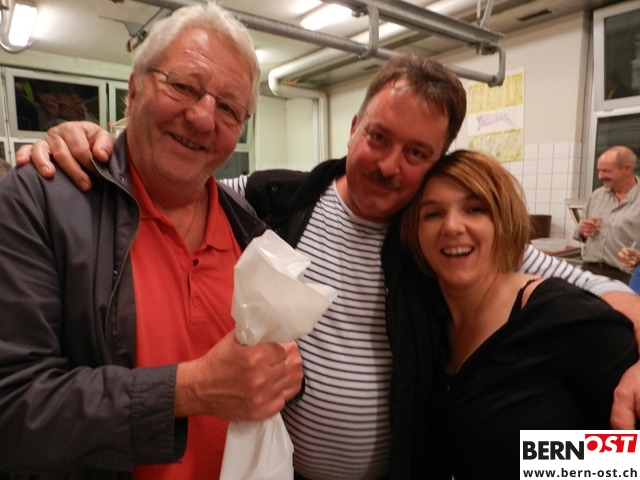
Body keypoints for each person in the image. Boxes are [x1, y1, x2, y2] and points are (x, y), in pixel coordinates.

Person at [18, 56, 640, 479]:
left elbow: (612, 434)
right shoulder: (269, 201)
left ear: (438, 161)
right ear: (354, 127)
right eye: (378, 138)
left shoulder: (443, 238)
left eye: (417, 153)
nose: (389, 166)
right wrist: (89, 146)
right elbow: (169, 185)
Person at [0, 4, 304, 480]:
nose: (202, 118)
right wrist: (189, 390)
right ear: (135, 87)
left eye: (228, 108)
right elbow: (12, 406)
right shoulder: (39, 201)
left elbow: (254, 378)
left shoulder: (249, 232)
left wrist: (282, 375)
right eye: (183, 86)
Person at [398, 150, 638, 479]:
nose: (452, 226)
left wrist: (524, 455)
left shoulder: (565, 317)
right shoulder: (426, 322)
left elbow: (631, 456)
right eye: (432, 214)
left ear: (503, 223)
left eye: (475, 209)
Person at [574, 145, 640, 283]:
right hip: (590, 271)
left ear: (627, 169)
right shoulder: (596, 196)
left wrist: (638, 258)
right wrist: (583, 231)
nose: (600, 176)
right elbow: (579, 234)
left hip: (627, 277)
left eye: (606, 171)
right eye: (599, 171)